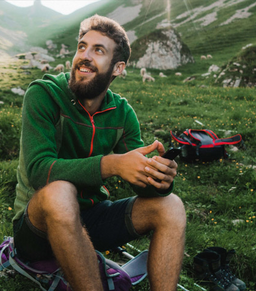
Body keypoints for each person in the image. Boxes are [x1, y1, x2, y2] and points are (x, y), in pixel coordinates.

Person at [12, 14, 186, 291]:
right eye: (82, 47)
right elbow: (38, 171)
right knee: (59, 192)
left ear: (117, 68)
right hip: (37, 229)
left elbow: (145, 187)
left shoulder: (122, 112)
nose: (85, 56)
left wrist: (159, 178)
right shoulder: (44, 94)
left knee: (171, 206)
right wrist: (112, 164)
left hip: (90, 221)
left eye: (98, 50)